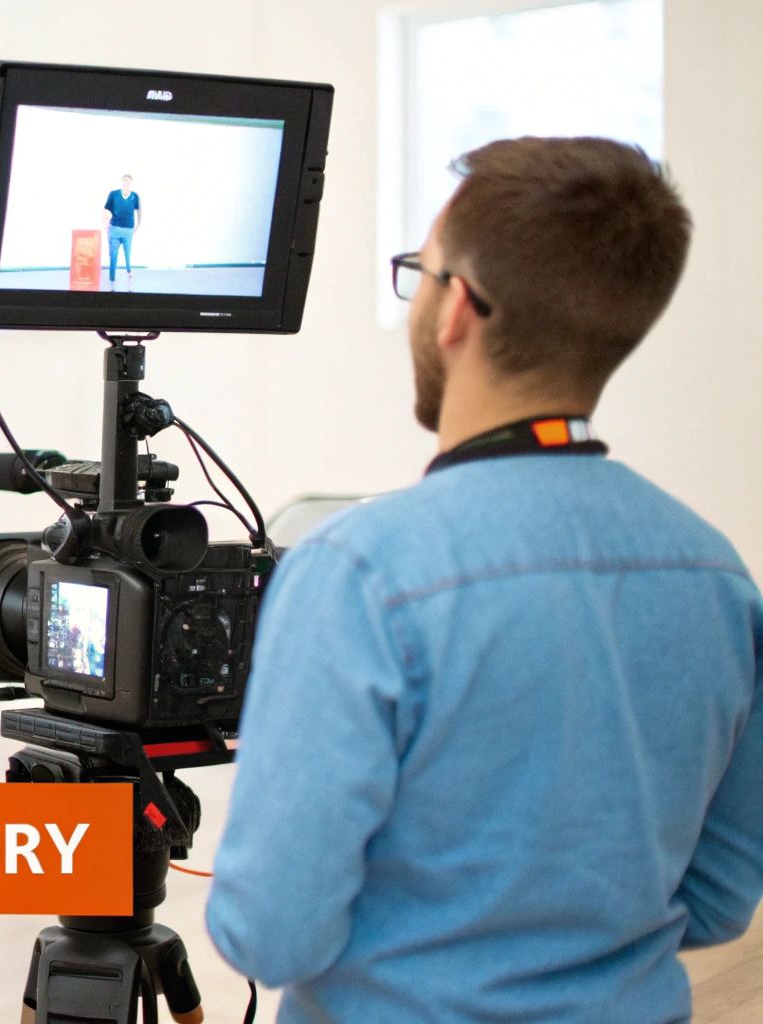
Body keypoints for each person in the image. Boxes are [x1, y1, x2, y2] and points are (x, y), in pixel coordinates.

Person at [207, 137, 763, 1022]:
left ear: (456, 307)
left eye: (417, 275)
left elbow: (272, 934)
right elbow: (723, 894)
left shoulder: (358, 571)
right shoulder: (716, 573)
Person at [102, 174, 140, 284]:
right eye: (125, 180)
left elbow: (137, 212)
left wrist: (137, 226)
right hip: (114, 229)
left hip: (128, 230)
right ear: (122, 181)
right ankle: (112, 279)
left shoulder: (134, 196)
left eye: (128, 181)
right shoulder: (113, 194)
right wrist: (105, 224)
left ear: (131, 182)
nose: (126, 182)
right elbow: (105, 210)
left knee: (127, 253)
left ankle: (129, 271)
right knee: (113, 254)